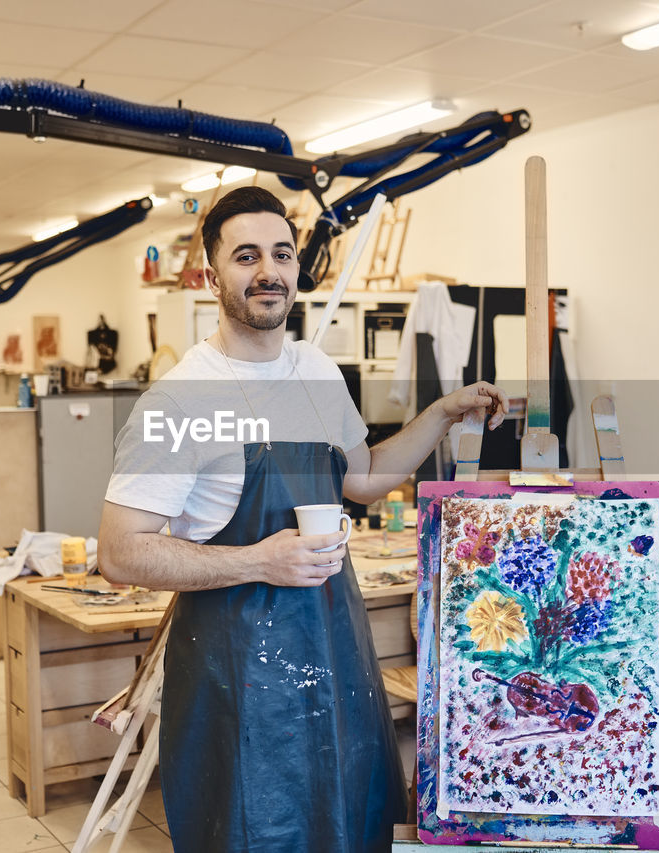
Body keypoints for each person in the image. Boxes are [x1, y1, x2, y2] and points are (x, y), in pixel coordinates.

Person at [99, 186, 508, 852]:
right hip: (237, 685)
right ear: (212, 276)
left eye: (282, 254)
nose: (269, 270)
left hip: (336, 661)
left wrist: (439, 416)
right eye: (246, 255)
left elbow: (364, 477)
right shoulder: (179, 399)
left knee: (352, 822)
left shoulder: (317, 370)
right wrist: (259, 559)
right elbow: (120, 552)